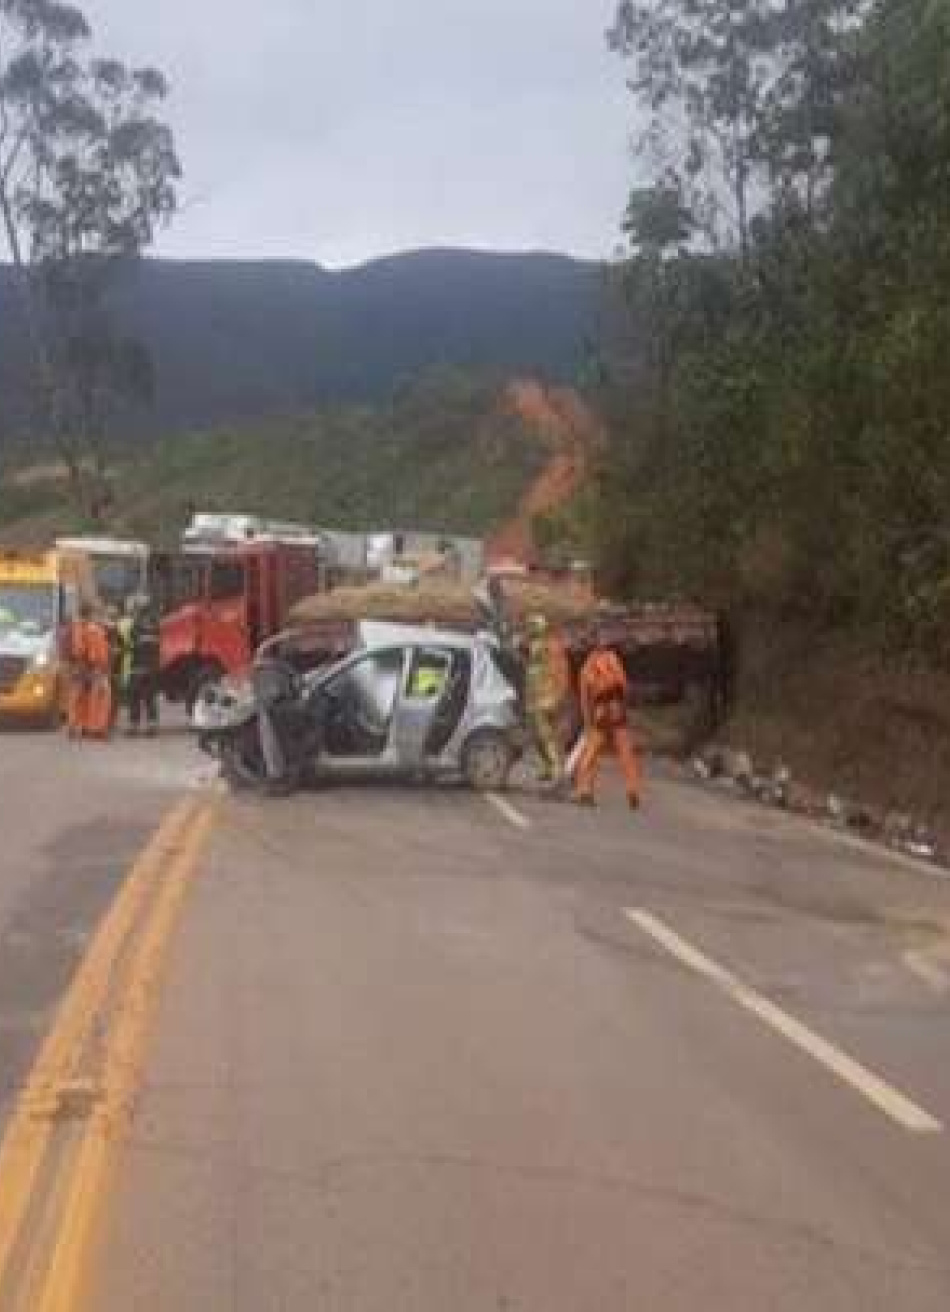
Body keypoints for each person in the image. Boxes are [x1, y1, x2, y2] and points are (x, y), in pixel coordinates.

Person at [573, 644, 641, 810]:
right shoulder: (613, 659)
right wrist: (623, 706)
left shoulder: (585, 669)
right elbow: (624, 686)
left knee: (590, 754)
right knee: (626, 754)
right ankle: (633, 790)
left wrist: (588, 721)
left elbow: (585, 699)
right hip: (617, 711)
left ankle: (584, 789)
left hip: (599, 714)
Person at [524, 613, 571, 791]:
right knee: (540, 738)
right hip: (539, 699)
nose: (528, 630)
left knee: (548, 738)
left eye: (531, 627)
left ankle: (558, 773)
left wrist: (558, 696)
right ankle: (550, 768)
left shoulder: (545, 647)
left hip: (546, 700)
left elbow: (559, 674)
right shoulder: (541, 648)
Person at [66, 603, 114, 741]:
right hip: (94, 666)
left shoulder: (75, 627)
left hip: (78, 665)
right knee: (101, 696)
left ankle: (76, 725)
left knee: (78, 698)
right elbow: (95, 650)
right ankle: (96, 728)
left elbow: (74, 648)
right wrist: (98, 666)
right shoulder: (93, 629)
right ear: (91, 613)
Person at [118, 595, 161, 737]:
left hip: (137, 667)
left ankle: (134, 726)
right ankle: (152, 726)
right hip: (152, 667)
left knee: (134, 698)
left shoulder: (135, 624)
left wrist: (122, 650)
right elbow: (156, 645)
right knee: (149, 698)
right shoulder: (155, 623)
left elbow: (130, 645)